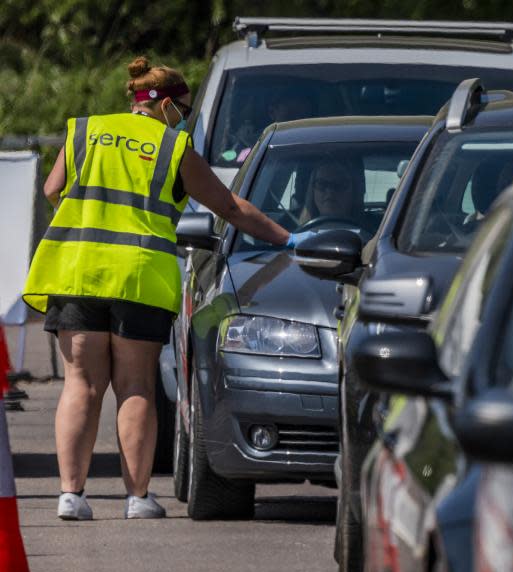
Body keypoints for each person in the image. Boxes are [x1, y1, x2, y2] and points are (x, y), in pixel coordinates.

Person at [21, 56, 314, 520]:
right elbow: (229, 207)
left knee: (81, 384)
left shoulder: (84, 130)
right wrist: (287, 238)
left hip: (78, 273)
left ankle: (71, 496)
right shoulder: (171, 147)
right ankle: (137, 499)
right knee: (135, 386)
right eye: (184, 108)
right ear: (164, 104)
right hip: (138, 276)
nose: (186, 117)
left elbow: (53, 189)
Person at [298, 160, 378, 233]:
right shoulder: (293, 233)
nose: (330, 191)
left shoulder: (379, 234)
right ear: (312, 191)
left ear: (354, 192)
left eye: (340, 184)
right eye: (321, 184)